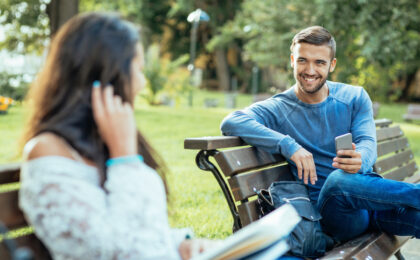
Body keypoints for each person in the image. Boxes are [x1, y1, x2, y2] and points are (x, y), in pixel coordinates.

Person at [19, 12, 215, 260]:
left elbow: (136, 230)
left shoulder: (105, 141)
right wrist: (125, 159)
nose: (142, 83)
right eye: (138, 70)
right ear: (107, 77)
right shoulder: (48, 150)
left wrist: (181, 244)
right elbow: (111, 249)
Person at [221, 26, 420, 243]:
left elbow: (367, 142)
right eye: (302, 60)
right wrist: (288, 145)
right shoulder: (279, 107)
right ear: (292, 60)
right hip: (332, 218)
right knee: (338, 182)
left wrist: (361, 159)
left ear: (332, 65)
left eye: (319, 62)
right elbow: (232, 121)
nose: (310, 70)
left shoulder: (354, 97)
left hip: (369, 205)